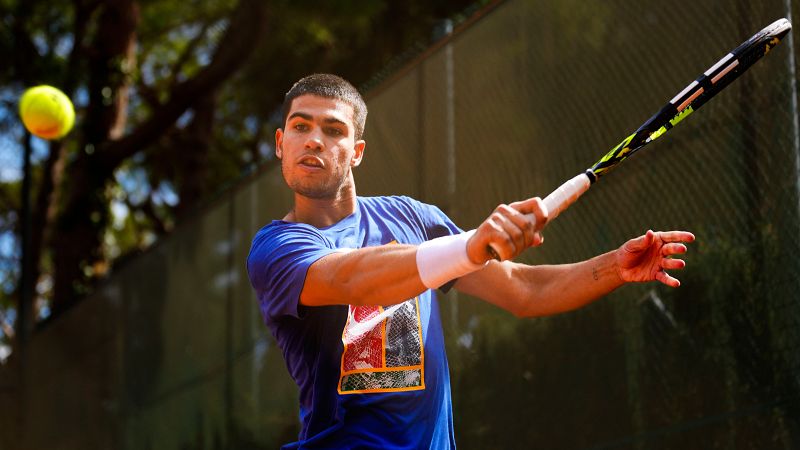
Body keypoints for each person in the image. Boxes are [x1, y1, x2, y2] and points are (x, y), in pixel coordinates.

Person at [246, 73, 695, 449]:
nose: (315, 140)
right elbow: (353, 278)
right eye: (301, 127)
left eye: (334, 130)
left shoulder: (412, 218)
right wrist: (468, 248)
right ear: (281, 144)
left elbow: (524, 289)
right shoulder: (275, 248)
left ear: (357, 152)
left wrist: (614, 267)